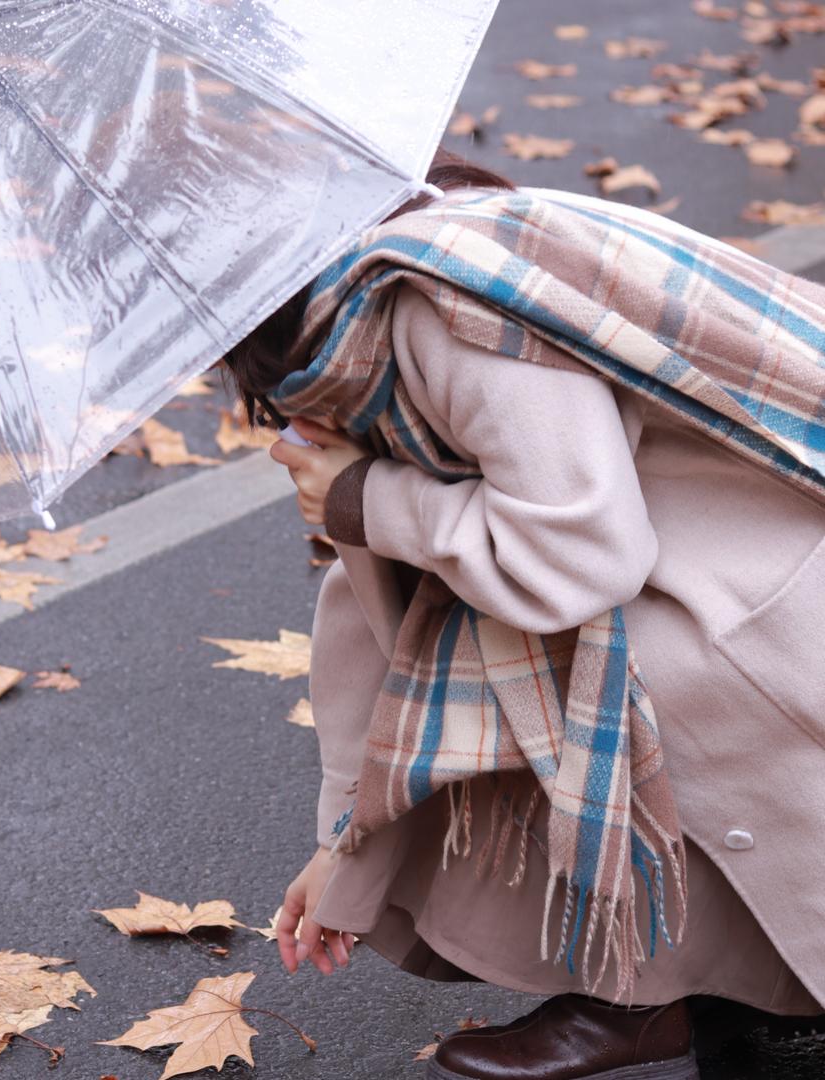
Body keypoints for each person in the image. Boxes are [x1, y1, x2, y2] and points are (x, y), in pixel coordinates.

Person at [218, 147, 825, 1080]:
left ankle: (734, 1000)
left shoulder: (442, 311)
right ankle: (676, 988)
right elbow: (380, 601)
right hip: (721, 560)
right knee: (495, 632)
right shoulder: (372, 304)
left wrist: (370, 498)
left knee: (599, 663)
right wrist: (344, 844)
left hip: (772, 595)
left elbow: (582, 559)